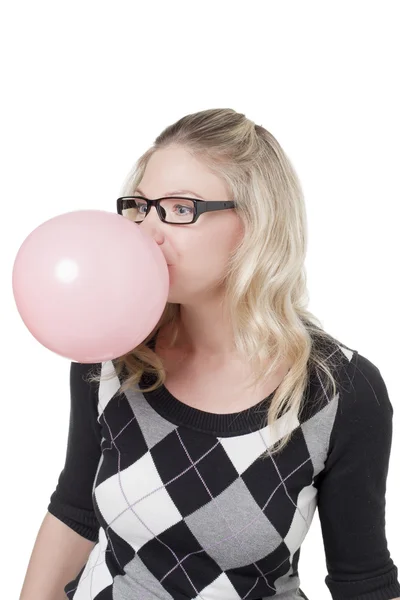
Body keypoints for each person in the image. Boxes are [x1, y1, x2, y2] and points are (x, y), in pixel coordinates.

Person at [19, 108, 400, 600]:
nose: (148, 231)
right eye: (141, 206)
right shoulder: (113, 348)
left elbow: (362, 581)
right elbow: (74, 511)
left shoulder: (341, 392)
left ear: (257, 223)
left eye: (181, 209)